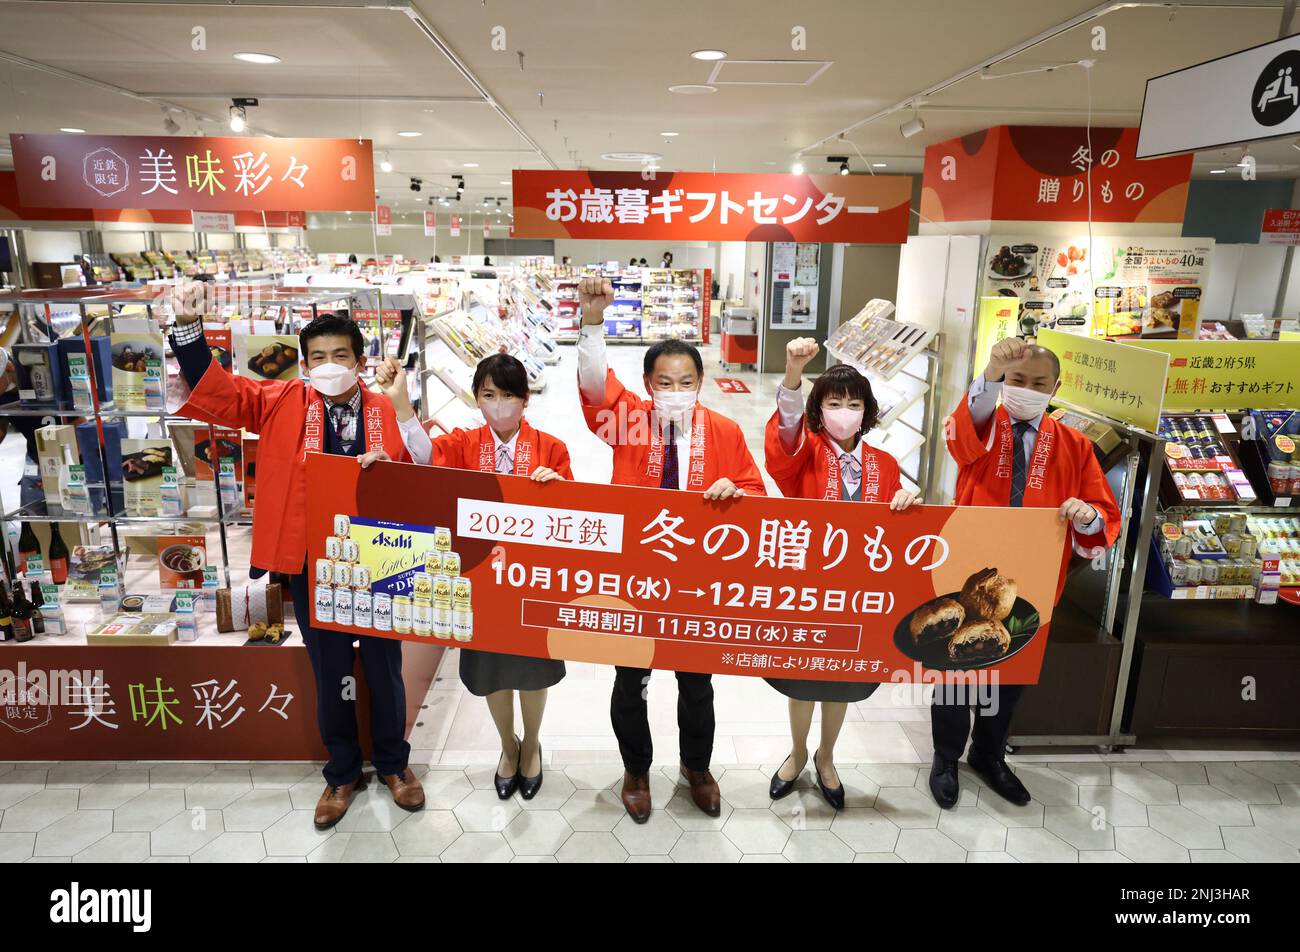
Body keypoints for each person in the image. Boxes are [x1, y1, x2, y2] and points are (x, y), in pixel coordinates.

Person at [167, 286, 426, 830]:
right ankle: (341, 771)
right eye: (318, 358)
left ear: (359, 360)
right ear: (304, 364)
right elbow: (223, 391)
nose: (329, 367)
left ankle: (394, 765)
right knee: (329, 666)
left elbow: (421, 469)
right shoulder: (283, 402)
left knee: (384, 665)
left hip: (379, 558)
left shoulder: (385, 408)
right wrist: (190, 328)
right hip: (312, 559)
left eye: (341, 356)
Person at [576, 276, 766, 824]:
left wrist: (736, 494)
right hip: (635, 574)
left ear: (702, 382)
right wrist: (593, 322)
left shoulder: (725, 431)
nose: (676, 389)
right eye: (665, 381)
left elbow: (755, 493)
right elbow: (593, 387)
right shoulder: (629, 422)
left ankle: (696, 767)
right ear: (647, 383)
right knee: (629, 680)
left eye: (686, 380)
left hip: (698, 578)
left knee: (697, 680)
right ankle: (636, 769)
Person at [363, 353, 570, 802]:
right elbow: (425, 459)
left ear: (525, 399)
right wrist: (401, 405)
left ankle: (531, 745)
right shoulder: (462, 443)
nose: (499, 404)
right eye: (489, 395)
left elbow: (572, 514)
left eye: (509, 395)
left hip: (530, 580)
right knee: (490, 669)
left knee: (533, 670)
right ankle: (507, 748)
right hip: (477, 579)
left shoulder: (551, 448)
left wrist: (557, 487)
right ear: (476, 398)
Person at [929, 337, 1120, 810]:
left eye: (1038, 383)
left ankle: (989, 754)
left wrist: (1086, 514)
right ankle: (946, 756)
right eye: (1017, 381)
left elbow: (1102, 510)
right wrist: (992, 371)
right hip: (971, 566)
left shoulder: (1074, 445)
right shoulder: (983, 427)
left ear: (1057, 387)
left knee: (1011, 672)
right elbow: (957, 437)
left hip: (1031, 576)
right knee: (956, 666)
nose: (1026, 389)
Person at [763, 338, 920, 809]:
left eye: (854, 404)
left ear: (868, 411)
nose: (845, 412)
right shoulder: (803, 455)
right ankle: (795, 753)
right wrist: (793, 369)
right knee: (803, 677)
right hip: (809, 589)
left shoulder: (886, 465)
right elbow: (786, 428)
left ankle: (826, 757)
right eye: (834, 403)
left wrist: (908, 504)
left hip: (859, 594)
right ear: (819, 408)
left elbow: (899, 533)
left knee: (842, 677)